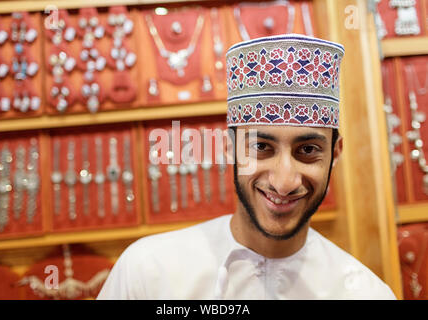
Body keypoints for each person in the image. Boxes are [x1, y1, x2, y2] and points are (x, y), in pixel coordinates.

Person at [97, 34, 396, 299]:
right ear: (229, 148)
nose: (284, 181)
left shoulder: (366, 293)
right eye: (261, 147)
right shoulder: (147, 273)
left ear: (335, 153)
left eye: (307, 150)